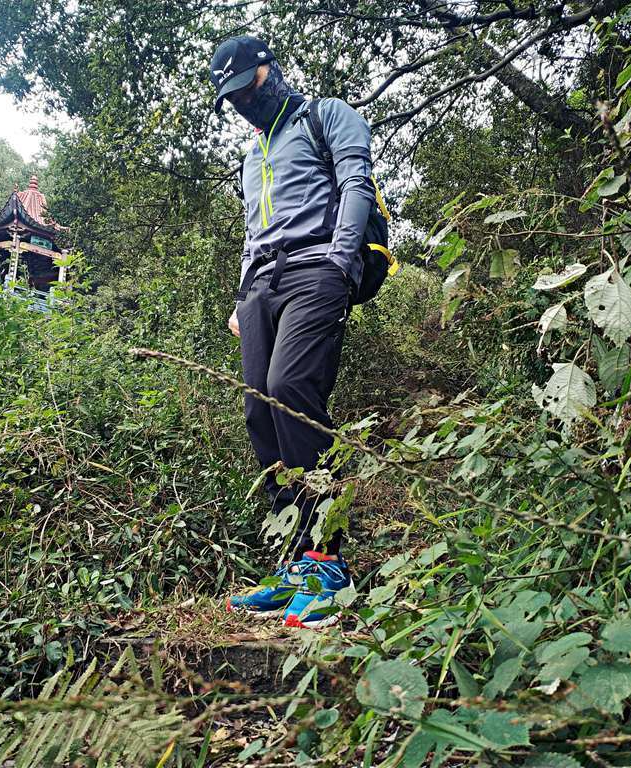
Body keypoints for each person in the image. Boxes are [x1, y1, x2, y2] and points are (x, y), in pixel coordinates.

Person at [209, 35, 376, 628]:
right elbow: (254, 230)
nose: (240, 103)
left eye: (245, 88)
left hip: (317, 269)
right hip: (261, 285)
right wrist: (240, 296)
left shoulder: (326, 114)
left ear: (268, 70)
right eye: (228, 98)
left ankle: (330, 563)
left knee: (291, 392)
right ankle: (296, 563)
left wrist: (340, 260)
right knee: (259, 409)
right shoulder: (252, 157)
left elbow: (357, 183)